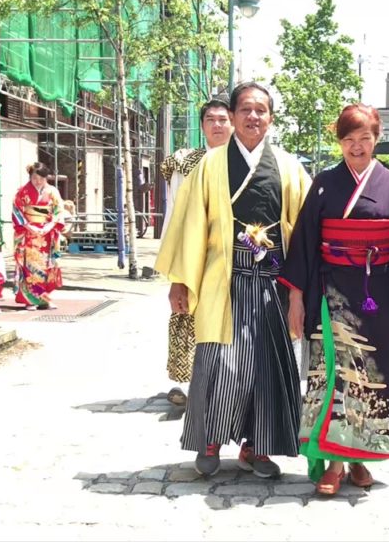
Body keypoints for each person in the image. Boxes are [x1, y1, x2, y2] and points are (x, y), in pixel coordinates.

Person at [154, 81, 311, 479]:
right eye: (246, 110)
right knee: (219, 362)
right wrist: (180, 281)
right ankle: (210, 438)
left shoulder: (290, 167)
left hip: (274, 282)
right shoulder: (209, 166)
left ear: (271, 117)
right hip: (224, 280)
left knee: (267, 367)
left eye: (261, 110)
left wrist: (300, 288)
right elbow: (190, 223)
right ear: (234, 115)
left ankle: (256, 446)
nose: (253, 117)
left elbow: (306, 228)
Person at [281, 103, 389, 495]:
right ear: (340, 142)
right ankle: (333, 462)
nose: (357, 147)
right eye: (348, 140)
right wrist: (296, 300)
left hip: (377, 296)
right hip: (331, 294)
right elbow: (303, 247)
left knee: (371, 379)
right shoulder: (323, 183)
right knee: (336, 374)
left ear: (376, 138)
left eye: (364, 138)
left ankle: (360, 459)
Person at [159, 96, 233, 407]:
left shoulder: (245, 162)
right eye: (210, 120)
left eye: (222, 119)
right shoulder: (186, 163)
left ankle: (227, 384)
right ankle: (184, 383)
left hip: (232, 254)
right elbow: (174, 212)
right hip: (193, 253)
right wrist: (174, 264)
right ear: (202, 126)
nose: (217, 125)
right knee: (186, 313)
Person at [12, 162, 64, 311]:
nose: (38, 181)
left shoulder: (52, 191)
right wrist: (29, 226)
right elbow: (17, 211)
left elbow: (58, 211)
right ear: (30, 177)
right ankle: (30, 300)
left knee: (47, 267)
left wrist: (49, 226)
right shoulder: (23, 191)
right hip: (29, 233)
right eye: (35, 178)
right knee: (31, 268)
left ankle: (44, 300)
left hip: (47, 234)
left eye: (41, 178)